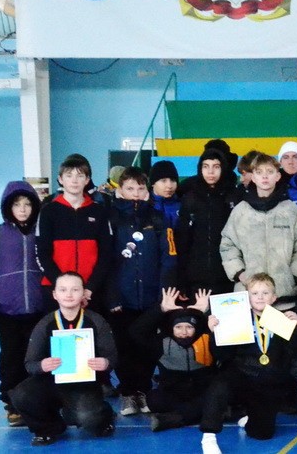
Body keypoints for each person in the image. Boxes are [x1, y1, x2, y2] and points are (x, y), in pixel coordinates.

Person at [11, 272, 117, 446]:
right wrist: (42, 365)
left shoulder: (96, 321)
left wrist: (105, 363)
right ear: (55, 294)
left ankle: (104, 414)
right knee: (21, 395)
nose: (69, 294)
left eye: (75, 289)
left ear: (83, 293)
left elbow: (112, 357)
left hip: (85, 383)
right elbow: (30, 364)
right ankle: (48, 428)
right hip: (51, 380)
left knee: (86, 419)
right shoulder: (45, 323)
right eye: (63, 290)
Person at [106, 167, 176, 417]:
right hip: (121, 298)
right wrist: (111, 294)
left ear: (147, 191)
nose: (135, 193)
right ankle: (128, 392)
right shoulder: (111, 219)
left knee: (147, 346)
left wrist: (163, 294)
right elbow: (106, 260)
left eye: (140, 188)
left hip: (150, 297)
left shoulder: (158, 218)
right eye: (130, 189)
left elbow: (169, 257)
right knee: (123, 346)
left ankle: (144, 390)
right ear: (120, 190)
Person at [0, 181, 47, 426]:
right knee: (11, 357)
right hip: (7, 311)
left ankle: (37, 401)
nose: (22, 209)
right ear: (7, 207)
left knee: (38, 356)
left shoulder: (42, 233)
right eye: (17, 204)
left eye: (27, 204)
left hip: (39, 309)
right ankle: (12, 404)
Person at [209, 273, 297, 441]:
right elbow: (222, 355)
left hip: (267, 383)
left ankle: (252, 417)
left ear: (274, 297)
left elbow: (295, 352)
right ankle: (209, 435)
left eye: (265, 293)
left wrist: (295, 329)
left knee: (263, 434)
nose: (260, 297)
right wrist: (215, 333)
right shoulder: (237, 318)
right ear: (247, 297)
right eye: (255, 293)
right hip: (242, 376)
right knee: (220, 385)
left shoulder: (279, 320)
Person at [220, 153, 297, 316]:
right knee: (252, 334)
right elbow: (228, 245)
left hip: (284, 300)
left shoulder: (290, 210)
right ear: (253, 177)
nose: (265, 176)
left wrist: (293, 276)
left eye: (270, 172)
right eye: (259, 172)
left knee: (282, 334)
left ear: (278, 176)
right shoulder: (241, 211)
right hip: (249, 299)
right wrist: (240, 274)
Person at [135, 288, 224, 454]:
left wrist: (205, 312)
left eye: (189, 327)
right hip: (173, 392)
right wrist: (160, 309)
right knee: (154, 400)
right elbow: (136, 332)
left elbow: (225, 332)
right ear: (172, 328)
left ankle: (175, 419)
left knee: (215, 399)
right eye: (179, 327)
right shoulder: (161, 343)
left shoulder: (207, 338)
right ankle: (206, 413)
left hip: (202, 392)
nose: (184, 332)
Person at [37, 154, 115, 311]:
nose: (74, 180)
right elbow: (42, 253)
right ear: (60, 179)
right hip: (56, 291)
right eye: (69, 175)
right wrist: (63, 288)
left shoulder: (99, 211)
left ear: (87, 180)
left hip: (93, 291)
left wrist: (90, 287)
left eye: (80, 176)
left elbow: (106, 254)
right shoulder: (48, 211)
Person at [176, 148, 240, 296]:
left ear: (223, 168)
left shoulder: (234, 197)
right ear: (200, 169)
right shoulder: (190, 199)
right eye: (206, 166)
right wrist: (181, 281)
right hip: (196, 279)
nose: (210, 172)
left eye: (216, 167)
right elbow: (183, 242)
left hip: (228, 276)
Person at [149, 160, 181, 227]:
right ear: (153, 183)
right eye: (163, 181)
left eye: (173, 180)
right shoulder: (144, 205)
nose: (169, 186)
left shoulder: (183, 204)